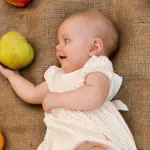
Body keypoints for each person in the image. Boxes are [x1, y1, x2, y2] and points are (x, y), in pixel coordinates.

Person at [0, 10, 137, 150]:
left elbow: (95, 95)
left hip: (93, 138)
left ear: (94, 47)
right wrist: (12, 76)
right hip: (62, 142)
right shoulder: (57, 78)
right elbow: (32, 94)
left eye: (66, 40)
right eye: (58, 42)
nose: (57, 47)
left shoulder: (95, 68)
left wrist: (57, 99)